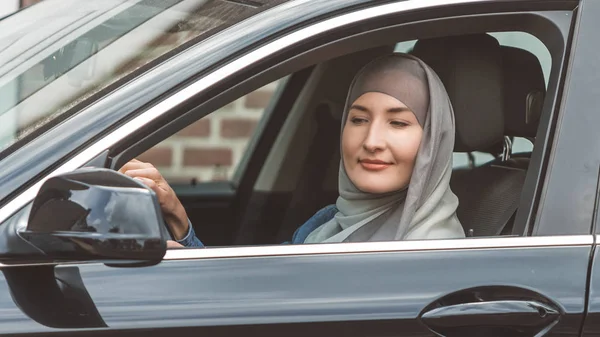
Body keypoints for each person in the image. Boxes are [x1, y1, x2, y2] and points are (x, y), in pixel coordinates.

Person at [119, 53, 466, 248]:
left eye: (399, 123)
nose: (372, 140)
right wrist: (180, 223)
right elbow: (253, 303)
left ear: (432, 142)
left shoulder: (430, 251)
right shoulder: (328, 222)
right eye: (359, 119)